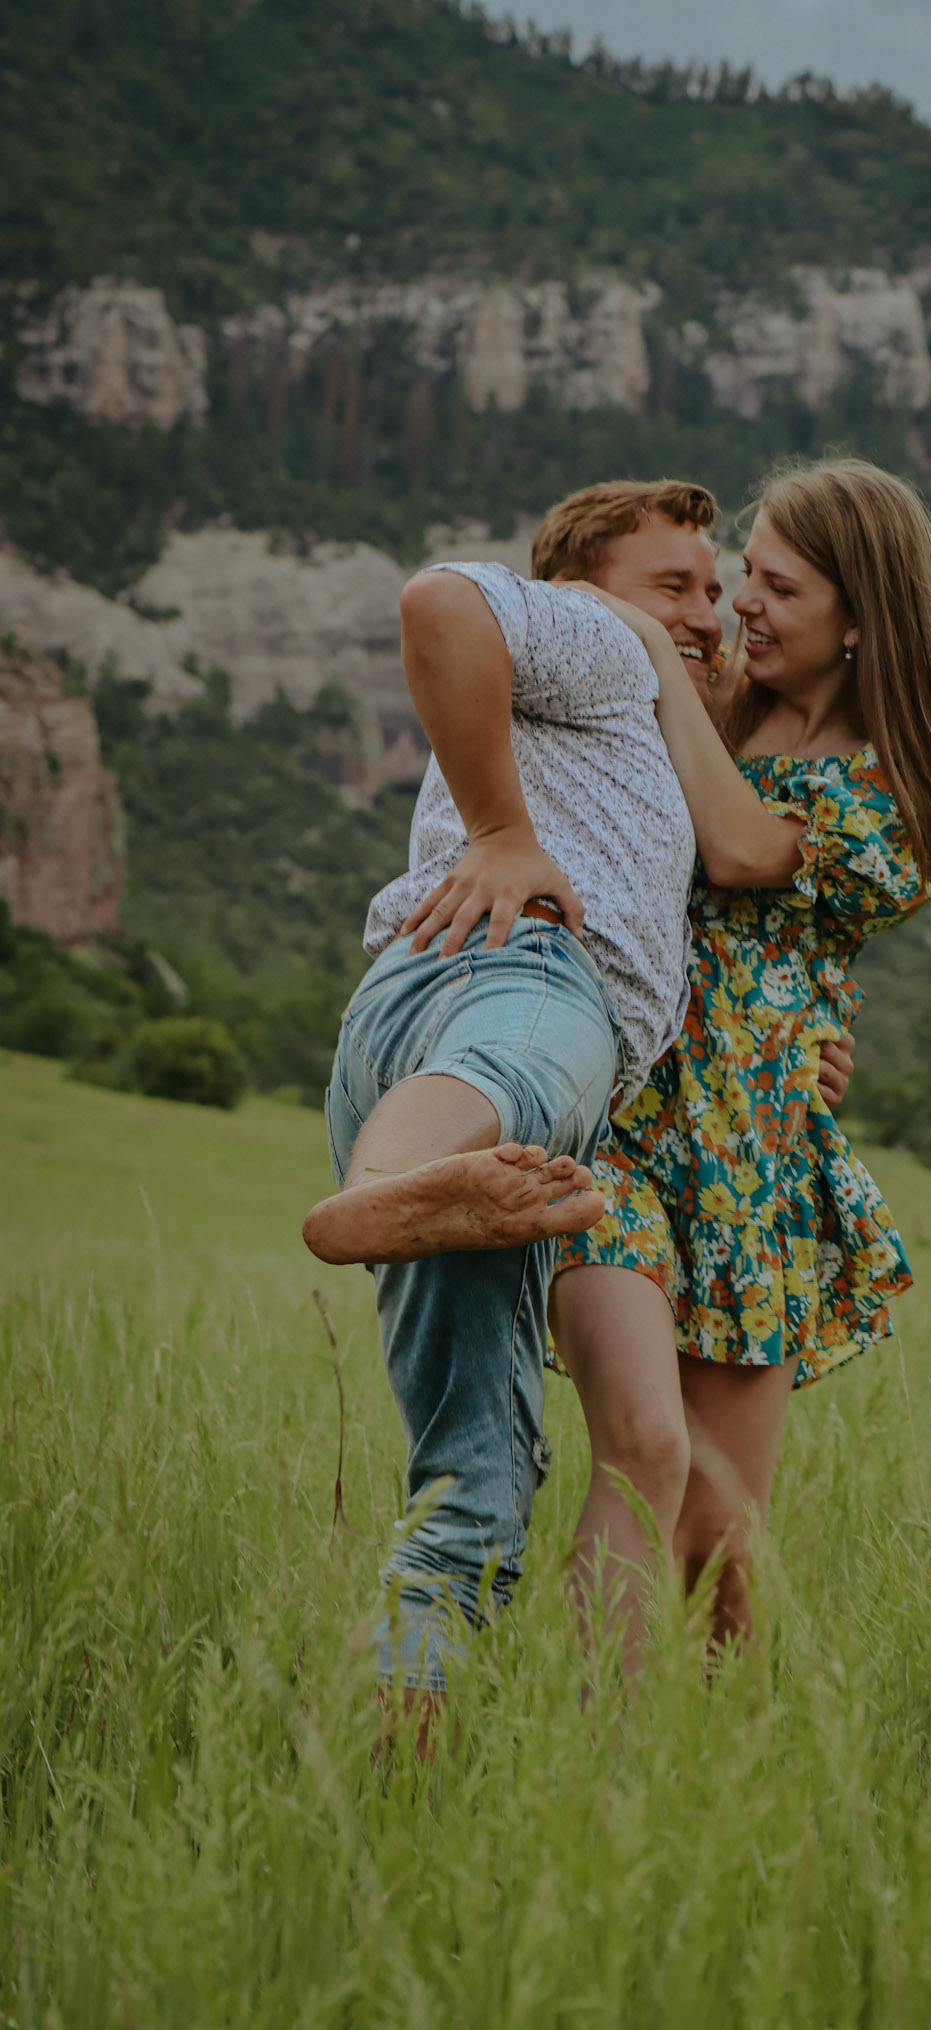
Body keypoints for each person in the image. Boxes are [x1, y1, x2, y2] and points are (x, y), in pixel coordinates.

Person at [545, 458, 931, 1664]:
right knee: (645, 1457)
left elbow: (745, 855)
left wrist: (810, 1031)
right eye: (748, 573)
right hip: (620, 1123)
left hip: (753, 1161)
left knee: (721, 1536)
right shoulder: (714, 704)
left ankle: (728, 1756)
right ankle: (590, 1747)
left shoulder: (891, 788)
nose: (741, 602)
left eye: (780, 587)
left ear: (861, 619)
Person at [300, 480, 724, 1712]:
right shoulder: (601, 644)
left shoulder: (623, 715)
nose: (705, 613)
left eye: (715, 589)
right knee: (516, 1074)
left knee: (469, 1500)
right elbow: (439, 599)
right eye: (674, 585)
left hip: (417, 1053)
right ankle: (382, 1189)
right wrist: (499, 831)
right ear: (582, 589)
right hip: (523, 974)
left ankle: (390, 1782)